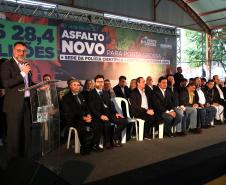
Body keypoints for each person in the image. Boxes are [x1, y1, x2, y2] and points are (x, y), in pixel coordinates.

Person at [0, 41, 33, 157]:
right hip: (13, 105)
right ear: (13, 51)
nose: (22, 53)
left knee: (26, 133)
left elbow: (29, 83)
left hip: (26, 103)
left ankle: (24, 158)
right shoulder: (6, 65)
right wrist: (23, 74)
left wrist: (41, 86)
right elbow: (6, 83)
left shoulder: (25, 64)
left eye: (24, 51)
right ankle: (13, 162)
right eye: (19, 50)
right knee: (14, 136)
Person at [88, 74, 128, 149]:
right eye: (98, 82)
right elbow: (92, 108)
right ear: (95, 82)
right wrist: (100, 116)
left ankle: (114, 138)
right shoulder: (91, 94)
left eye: (102, 82)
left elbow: (111, 105)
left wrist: (116, 113)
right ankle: (107, 143)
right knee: (106, 124)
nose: (100, 83)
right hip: (98, 116)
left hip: (109, 114)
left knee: (124, 121)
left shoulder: (106, 92)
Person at [61, 79, 97, 155]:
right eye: (74, 85)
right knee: (82, 128)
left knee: (97, 125)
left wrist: (88, 115)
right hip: (73, 120)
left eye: (78, 85)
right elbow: (70, 113)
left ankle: (91, 145)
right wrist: (83, 118)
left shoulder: (81, 95)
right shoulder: (66, 98)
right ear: (70, 86)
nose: (77, 87)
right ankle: (85, 148)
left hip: (84, 118)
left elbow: (86, 107)